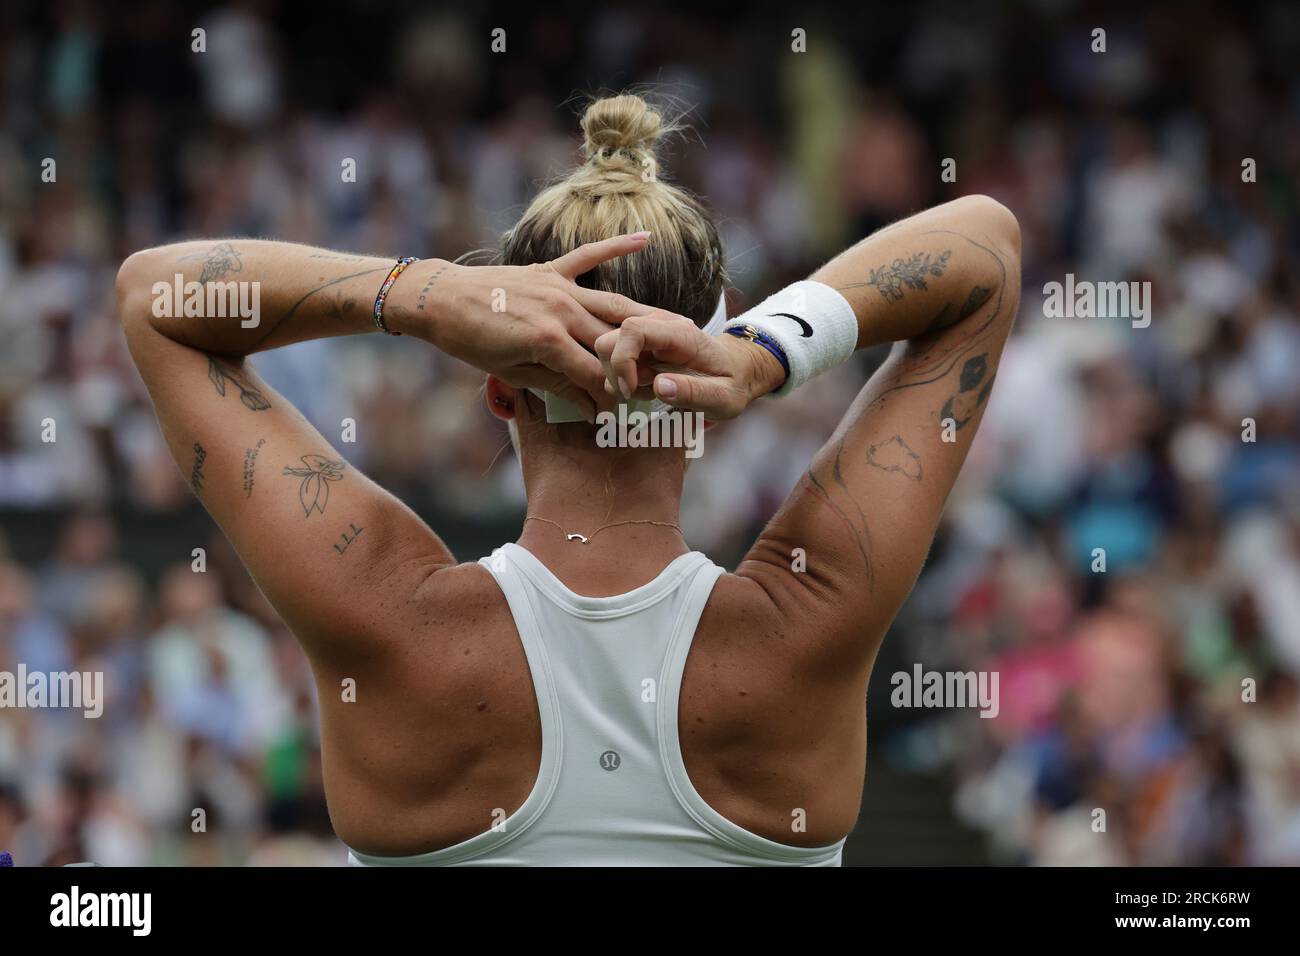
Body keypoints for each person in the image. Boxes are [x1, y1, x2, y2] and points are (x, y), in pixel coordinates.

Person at [115, 93, 1020, 865]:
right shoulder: (804, 627)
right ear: (698, 397)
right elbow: (984, 250)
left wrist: (423, 294)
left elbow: (156, 301)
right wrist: (764, 352)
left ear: (499, 392)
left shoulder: (389, 618)